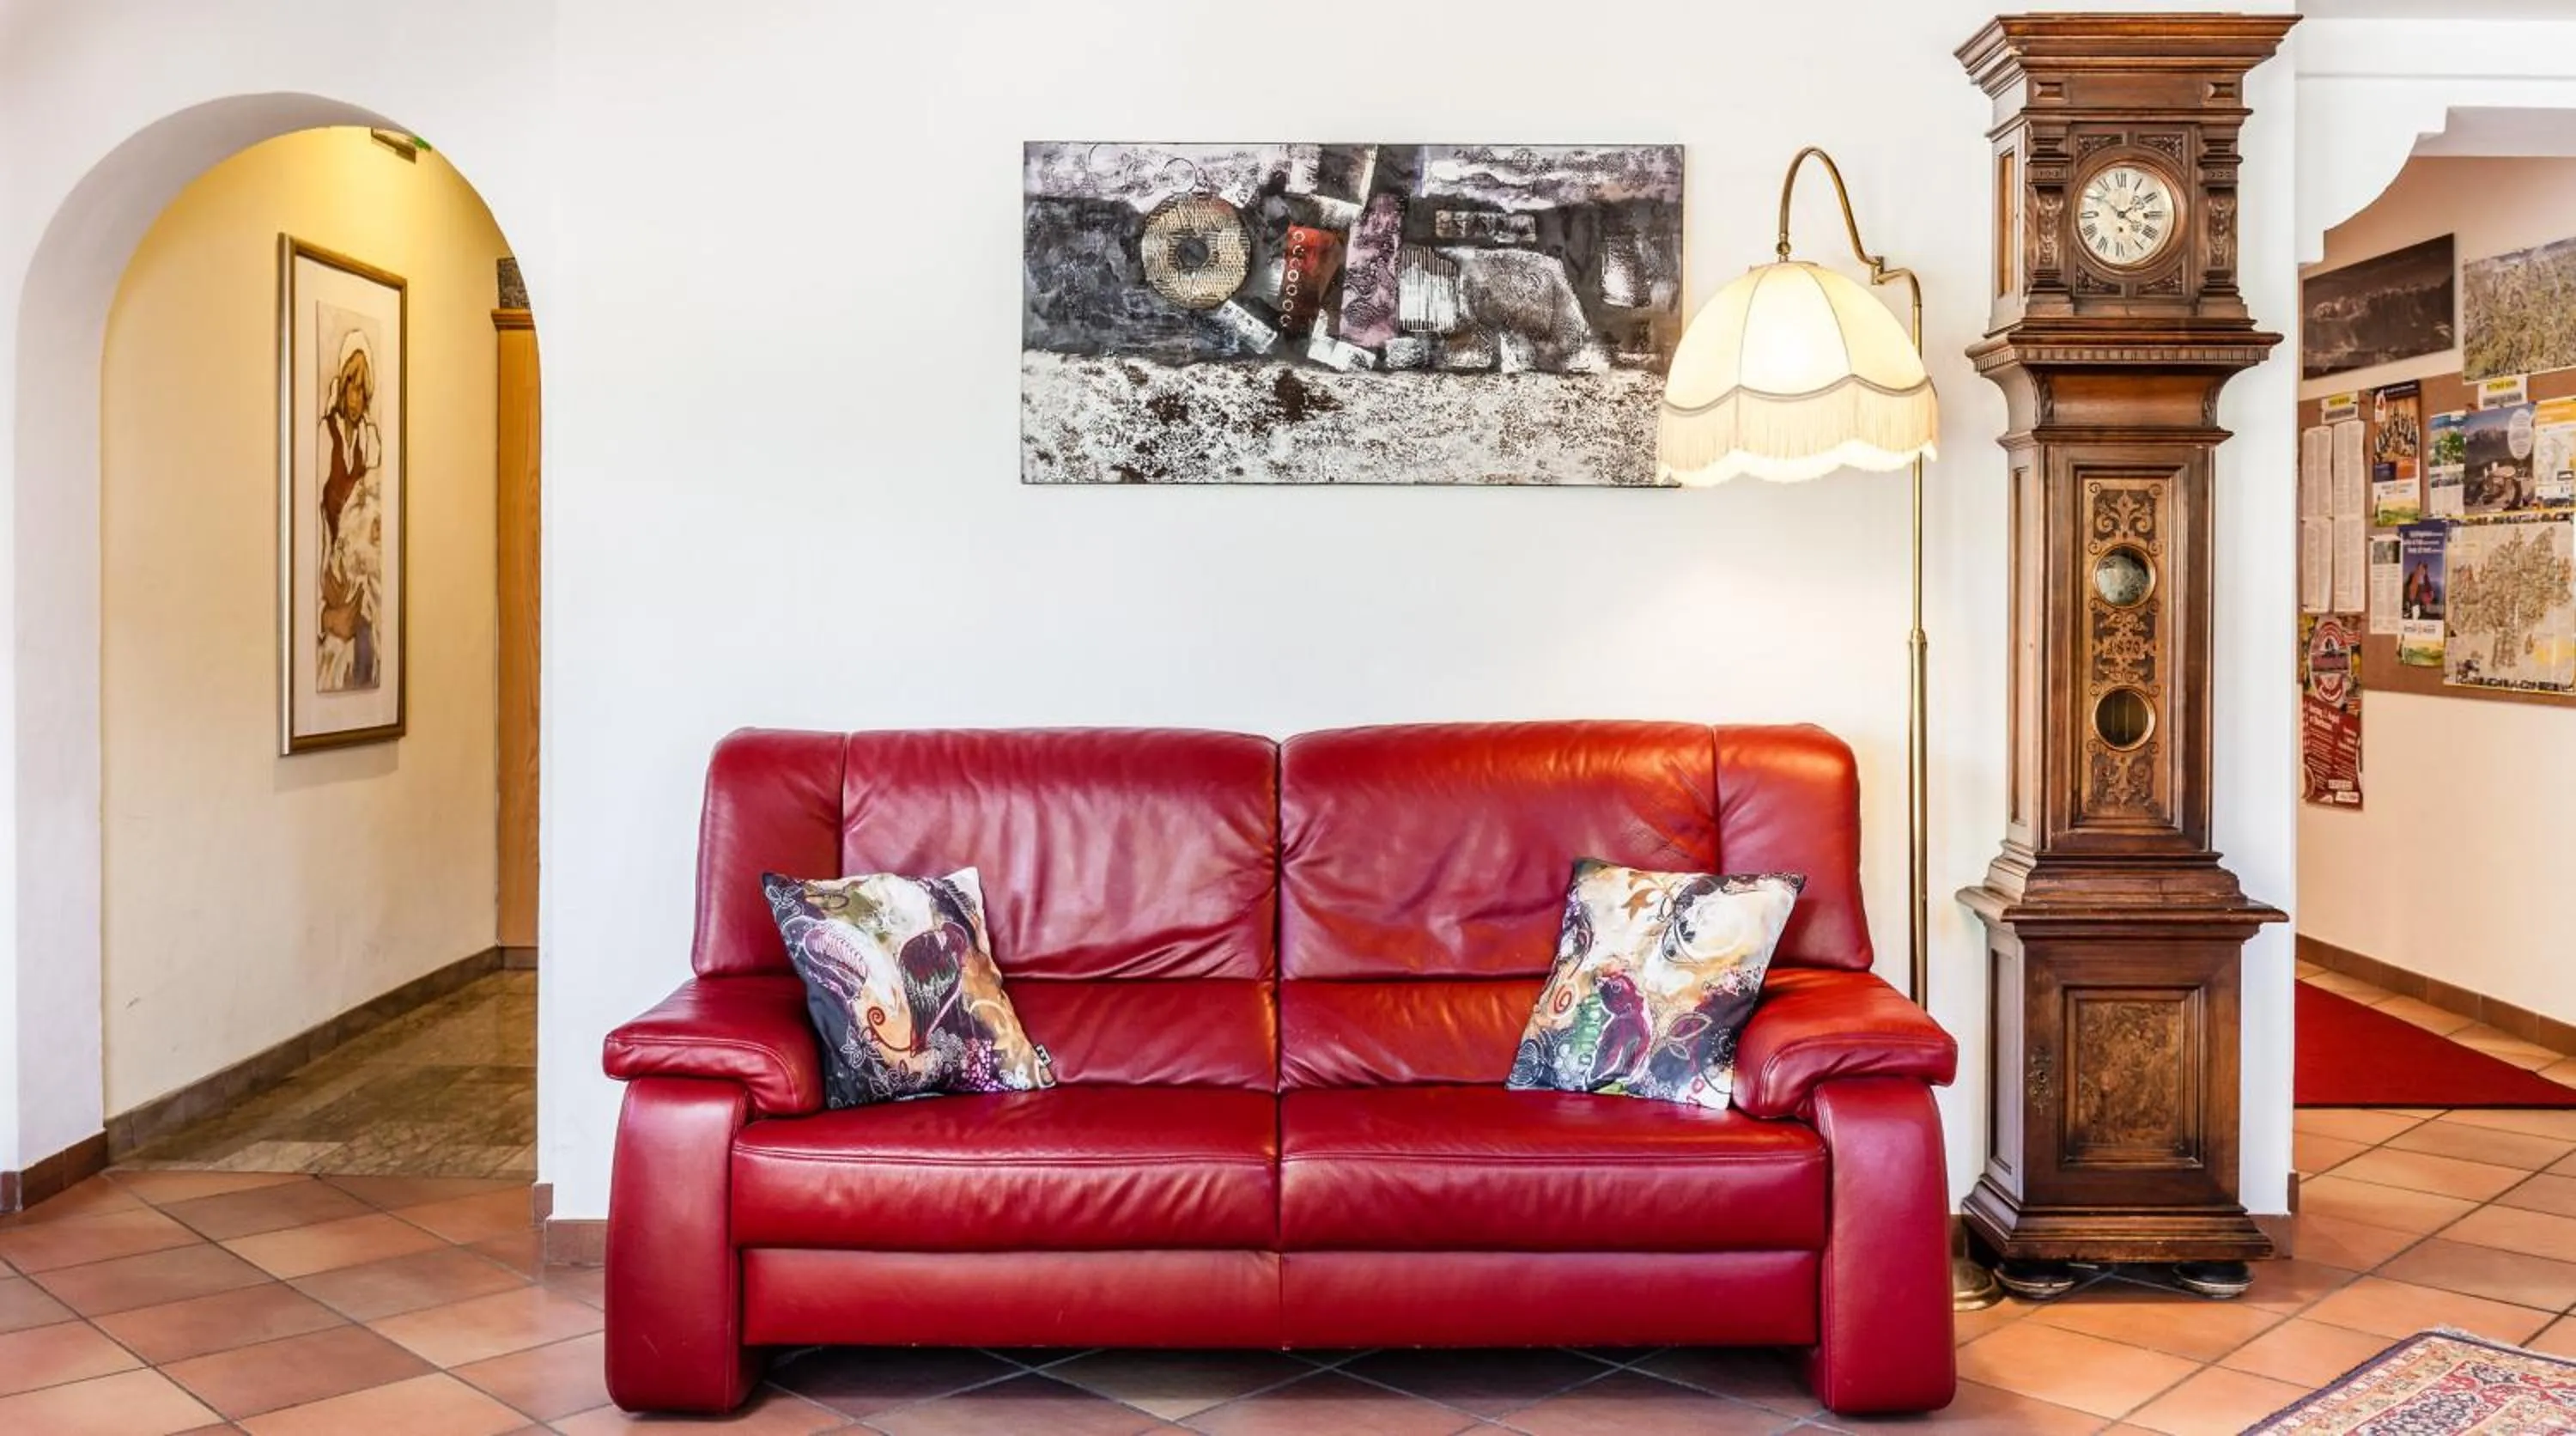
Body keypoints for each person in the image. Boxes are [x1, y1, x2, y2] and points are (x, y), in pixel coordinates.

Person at [316, 331, 382, 691]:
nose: (355, 398)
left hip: (362, 574)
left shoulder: (372, 442)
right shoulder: (324, 438)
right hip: (333, 572)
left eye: (362, 389)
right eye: (351, 386)